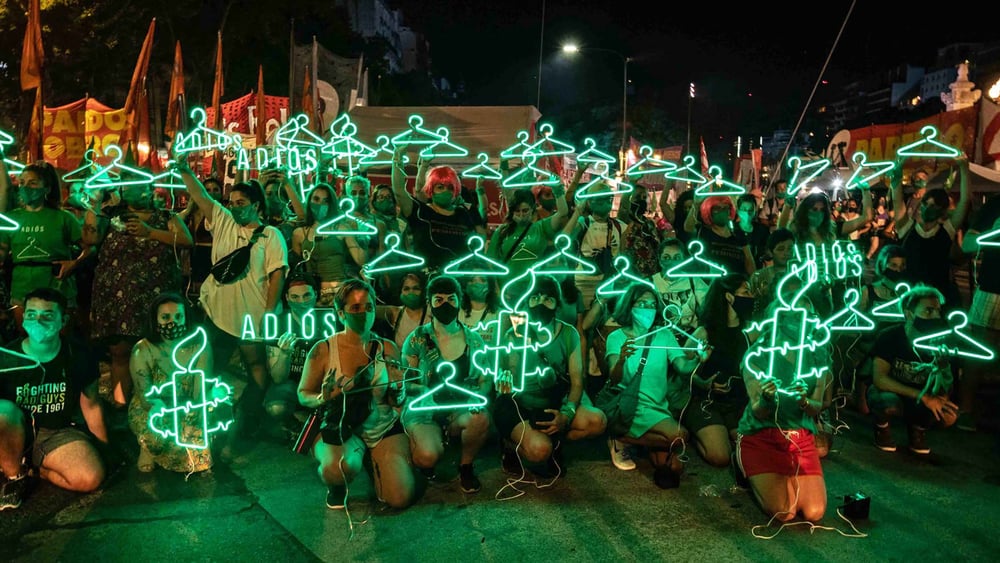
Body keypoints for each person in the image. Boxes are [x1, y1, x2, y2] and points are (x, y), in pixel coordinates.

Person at [177, 162, 288, 451]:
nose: (236, 207)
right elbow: (201, 196)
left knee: (256, 368)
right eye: (232, 202)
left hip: (253, 315)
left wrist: (268, 312)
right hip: (219, 313)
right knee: (211, 367)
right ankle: (203, 422)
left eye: (242, 202)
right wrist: (184, 171)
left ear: (256, 205)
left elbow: (277, 274)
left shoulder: (270, 235)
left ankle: (249, 416)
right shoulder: (223, 220)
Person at [298, 279, 413, 510]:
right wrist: (323, 397)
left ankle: (379, 462)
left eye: (369, 307)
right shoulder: (323, 349)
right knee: (338, 468)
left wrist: (399, 390)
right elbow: (303, 394)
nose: (364, 314)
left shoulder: (387, 348)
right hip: (342, 428)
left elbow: (396, 401)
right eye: (356, 308)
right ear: (341, 314)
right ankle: (337, 485)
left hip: (381, 428)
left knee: (399, 498)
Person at [86, 180, 193, 408]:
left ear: (149, 189)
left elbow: (186, 241)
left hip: (155, 298)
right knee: (120, 352)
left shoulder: (165, 217)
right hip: (117, 298)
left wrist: (150, 233)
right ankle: (121, 405)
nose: (136, 191)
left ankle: (158, 405)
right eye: (130, 186)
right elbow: (90, 238)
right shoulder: (112, 215)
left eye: (141, 186)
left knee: (158, 350)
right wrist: (94, 204)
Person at [0, 288, 106, 510]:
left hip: (56, 432)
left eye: (47, 315)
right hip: (12, 430)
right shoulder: (6, 358)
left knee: (90, 477)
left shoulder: (78, 355)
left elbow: (92, 405)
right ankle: (14, 477)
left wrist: (104, 447)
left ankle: (33, 469)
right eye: (31, 314)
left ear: (63, 320)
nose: (38, 321)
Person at [495, 275, 607, 477]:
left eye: (548, 299)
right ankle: (511, 446)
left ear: (557, 304)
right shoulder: (514, 333)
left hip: (552, 400)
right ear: (527, 301)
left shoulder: (568, 333)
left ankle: (555, 444)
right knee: (539, 451)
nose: (541, 303)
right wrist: (507, 377)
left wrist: (567, 413)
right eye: (535, 298)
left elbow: (576, 380)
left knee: (597, 421)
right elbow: (508, 376)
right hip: (520, 404)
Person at [736, 297, 831, 523]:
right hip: (761, 436)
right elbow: (758, 411)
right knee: (784, 511)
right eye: (796, 316)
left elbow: (818, 404)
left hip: (800, 438)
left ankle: (782, 476)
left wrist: (804, 402)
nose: (803, 322)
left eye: (809, 317)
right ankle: (741, 460)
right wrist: (768, 399)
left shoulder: (817, 354)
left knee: (814, 512)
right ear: (778, 318)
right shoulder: (757, 356)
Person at [604, 284, 707, 487]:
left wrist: (698, 358)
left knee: (675, 467)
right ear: (629, 306)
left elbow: (682, 367)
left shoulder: (664, 335)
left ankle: (624, 439)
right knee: (680, 436)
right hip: (630, 405)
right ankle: (621, 437)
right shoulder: (616, 337)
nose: (648, 308)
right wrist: (622, 359)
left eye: (652, 304)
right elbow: (614, 379)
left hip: (658, 406)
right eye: (642, 303)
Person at [401, 275, 489, 493]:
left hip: (460, 408)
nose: (445, 304)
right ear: (429, 303)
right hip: (425, 411)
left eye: (451, 299)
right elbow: (405, 381)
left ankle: (466, 466)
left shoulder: (474, 340)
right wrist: (422, 391)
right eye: (438, 300)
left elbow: (486, 379)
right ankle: (427, 451)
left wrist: (476, 399)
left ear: (460, 300)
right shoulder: (416, 339)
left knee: (480, 418)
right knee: (426, 457)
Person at [128, 293, 217, 473]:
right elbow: (146, 396)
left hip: (188, 403)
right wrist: (162, 410)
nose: (173, 322)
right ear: (155, 320)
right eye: (165, 317)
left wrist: (194, 413)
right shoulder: (142, 350)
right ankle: (147, 448)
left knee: (198, 457)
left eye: (178, 316)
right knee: (157, 434)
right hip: (156, 406)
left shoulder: (199, 344)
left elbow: (201, 387)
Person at [869, 285, 958, 455]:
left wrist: (943, 367)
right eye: (928, 311)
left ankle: (918, 429)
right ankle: (882, 427)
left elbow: (946, 388)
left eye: (938, 311)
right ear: (909, 313)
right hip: (895, 392)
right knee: (886, 402)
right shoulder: (890, 336)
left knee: (948, 415)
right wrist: (923, 397)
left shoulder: (942, 342)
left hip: (920, 396)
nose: (935, 316)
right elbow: (879, 379)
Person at [0, 163, 91, 328]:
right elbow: (2, 252)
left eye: (32, 183)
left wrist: (73, 264)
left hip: (57, 289)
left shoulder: (63, 218)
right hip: (22, 289)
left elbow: (89, 248)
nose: (26, 187)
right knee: (26, 339)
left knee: (58, 340)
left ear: (47, 188)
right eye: (22, 183)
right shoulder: (10, 219)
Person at [683, 274, 754, 469]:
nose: (751, 296)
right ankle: (694, 434)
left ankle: (725, 432)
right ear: (729, 297)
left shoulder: (749, 331)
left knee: (750, 450)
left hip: (737, 402)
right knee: (720, 456)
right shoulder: (704, 333)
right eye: (745, 292)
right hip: (706, 402)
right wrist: (703, 383)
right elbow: (680, 370)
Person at [891, 155, 970, 310]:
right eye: (926, 204)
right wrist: (897, 177)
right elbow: (897, 201)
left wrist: (964, 168)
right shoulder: (907, 228)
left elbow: (965, 202)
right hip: (912, 296)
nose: (927, 208)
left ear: (941, 210)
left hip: (940, 297)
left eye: (933, 206)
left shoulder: (946, 230)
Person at [391, 149, 485, 272]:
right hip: (426, 277)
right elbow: (399, 192)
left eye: (450, 188)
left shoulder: (463, 214)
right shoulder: (421, 212)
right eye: (440, 187)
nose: (445, 191)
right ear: (431, 189)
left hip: (458, 277)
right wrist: (398, 157)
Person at [263, 271, 325, 442]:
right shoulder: (278, 324)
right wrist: (284, 354)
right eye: (295, 297)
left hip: (320, 381)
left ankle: (310, 419)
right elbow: (277, 378)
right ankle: (293, 421)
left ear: (315, 295)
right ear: (287, 298)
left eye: (306, 295)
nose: (302, 302)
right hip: (291, 383)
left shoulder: (327, 320)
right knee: (276, 407)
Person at [957, 193, 1000, 431]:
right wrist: (992, 233)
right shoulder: (995, 204)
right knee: (978, 352)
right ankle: (966, 409)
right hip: (993, 288)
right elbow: (968, 244)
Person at [291, 183, 370, 306]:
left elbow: (361, 260)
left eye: (325, 201)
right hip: (312, 295)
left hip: (339, 291)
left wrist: (362, 237)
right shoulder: (299, 234)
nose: (320, 205)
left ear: (331, 204)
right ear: (309, 201)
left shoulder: (341, 228)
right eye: (316, 199)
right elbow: (297, 269)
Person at [486, 187, 569, 281]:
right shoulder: (502, 231)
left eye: (525, 210)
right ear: (512, 211)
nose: (521, 215)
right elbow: (491, 261)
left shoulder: (541, 227)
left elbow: (562, 213)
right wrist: (495, 287)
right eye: (517, 211)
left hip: (536, 288)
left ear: (532, 209)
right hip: (507, 288)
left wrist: (557, 190)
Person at [564, 193, 627, 309]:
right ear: (589, 202)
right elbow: (564, 239)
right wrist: (577, 212)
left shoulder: (619, 226)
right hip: (583, 283)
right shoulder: (584, 222)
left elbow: (623, 252)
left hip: (610, 283)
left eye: (608, 198)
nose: (604, 202)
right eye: (599, 199)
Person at [178, 176, 223, 312]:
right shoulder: (191, 214)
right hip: (190, 264)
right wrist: (188, 209)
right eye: (207, 190)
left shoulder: (222, 215)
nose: (212, 193)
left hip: (211, 262)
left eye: (216, 190)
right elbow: (175, 224)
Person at [683, 195, 755, 276]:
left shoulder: (738, 233)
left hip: (737, 282)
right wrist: (695, 206)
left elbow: (749, 259)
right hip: (712, 283)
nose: (722, 211)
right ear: (709, 211)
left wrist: (752, 279)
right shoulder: (703, 231)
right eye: (717, 208)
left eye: (725, 208)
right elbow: (688, 227)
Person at [651, 237, 709, 332]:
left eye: (677, 258)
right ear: (659, 259)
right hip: (660, 336)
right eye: (666, 257)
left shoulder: (693, 280)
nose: (672, 262)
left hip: (689, 335)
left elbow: (709, 305)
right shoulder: (650, 282)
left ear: (683, 260)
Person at [747, 228, 795, 321]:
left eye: (790, 248)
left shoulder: (799, 276)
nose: (787, 253)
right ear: (770, 252)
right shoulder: (758, 276)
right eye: (781, 249)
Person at [375, 271, 428, 353]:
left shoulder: (432, 313)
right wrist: (367, 282)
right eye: (406, 289)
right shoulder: (396, 313)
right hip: (402, 364)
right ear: (401, 292)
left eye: (416, 288)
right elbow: (368, 309)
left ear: (423, 291)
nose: (411, 292)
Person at [619, 185, 663, 278]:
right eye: (638, 197)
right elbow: (624, 204)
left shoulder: (649, 224)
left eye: (644, 197)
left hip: (653, 276)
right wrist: (632, 182)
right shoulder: (626, 221)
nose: (642, 200)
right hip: (632, 276)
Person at [735, 194, 770, 267]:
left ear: (755, 210)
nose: (747, 213)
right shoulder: (732, 230)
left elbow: (767, 252)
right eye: (744, 209)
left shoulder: (762, 230)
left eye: (750, 210)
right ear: (738, 210)